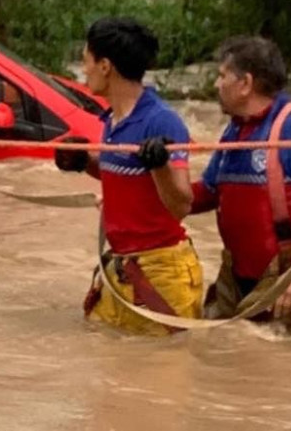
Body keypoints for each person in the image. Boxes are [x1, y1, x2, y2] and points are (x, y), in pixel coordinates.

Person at [190, 36, 291, 334]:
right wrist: (150, 186)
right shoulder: (235, 131)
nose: (216, 85)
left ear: (245, 84)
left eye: (222, 75)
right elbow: (205, 194)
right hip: (241, 282)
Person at [55, 17, 200, 336]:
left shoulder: (162, 122)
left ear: (105, 66)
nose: (84, 71)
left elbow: (181, 205)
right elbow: (125, 176)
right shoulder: (113, 120)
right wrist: (84, 162)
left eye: (86, 61)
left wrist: (160, 166)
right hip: (122, 267)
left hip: (161, 273)